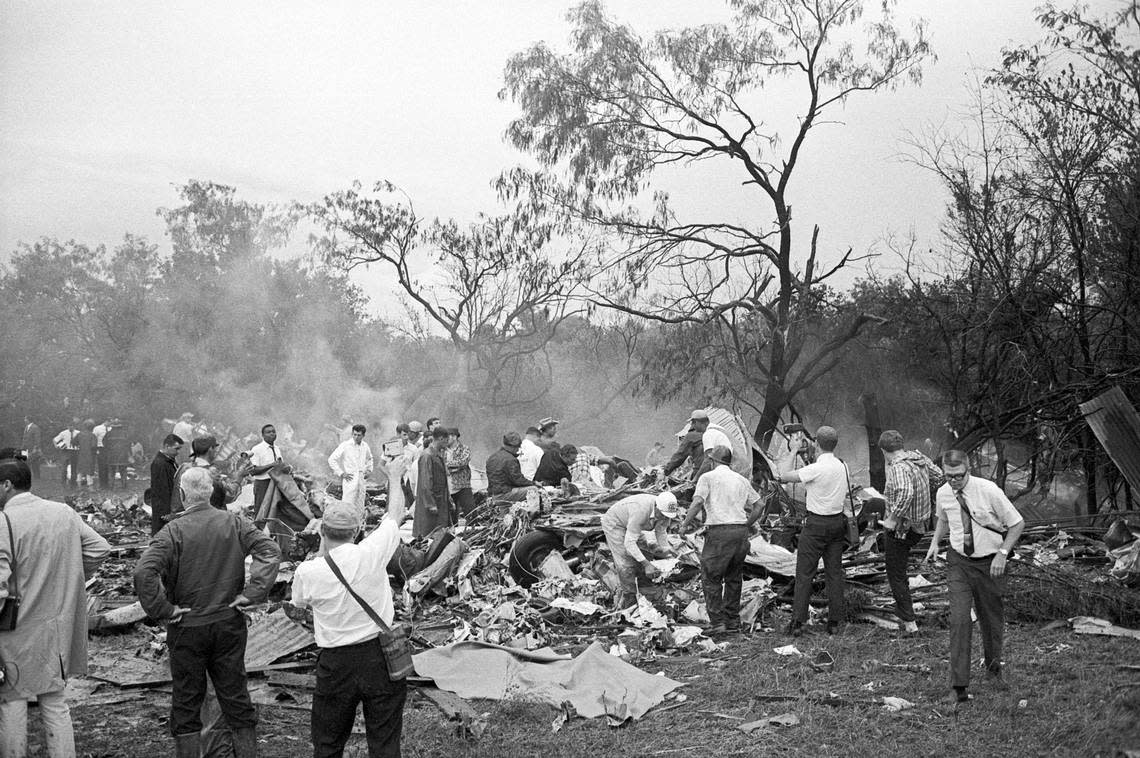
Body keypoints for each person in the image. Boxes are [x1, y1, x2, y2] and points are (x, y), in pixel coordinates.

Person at [134, 467, 281, 758]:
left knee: (187, 700)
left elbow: (144, 571)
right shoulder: (235, 522)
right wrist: (252, 593)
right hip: (228, 623)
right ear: (212, 493)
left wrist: (162, 609)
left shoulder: (172, 531)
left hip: (187, 626)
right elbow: (270, 551)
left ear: (183, 494)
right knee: (236, 696)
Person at [0, 457, 111, 758]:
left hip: (15, 631)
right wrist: (72, 576)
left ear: (7, 485)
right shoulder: (63, 512)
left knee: (12, 701)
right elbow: (101, 548)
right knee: (56, 702)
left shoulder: (3, 522)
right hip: (57, 626)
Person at [290, 491, 409, 756]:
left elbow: (298, 603)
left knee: (328, 741)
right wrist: (393, 475)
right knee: (385, 741)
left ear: (322, 530)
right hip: (380, 656)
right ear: (356, 532)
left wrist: (322, 549)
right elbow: (394, 516)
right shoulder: (371, 552)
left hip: (336, 663)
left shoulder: (308, 571)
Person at [924, 450, 1024, 703]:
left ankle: (993, 666)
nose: (954, 481)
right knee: (959, 619)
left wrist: (1002, 554)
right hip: (959, 562)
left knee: (991, 619)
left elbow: (1017, 523)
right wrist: (935, 542)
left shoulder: (988, 490)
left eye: (959, 476)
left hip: (990, 563)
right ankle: (958, 687)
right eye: (949, 476)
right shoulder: (943, 492)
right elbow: (943, 519)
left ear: (968, 469)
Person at [680, 446, 763, 635]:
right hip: (740, 533)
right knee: (734, 578)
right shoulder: (741, 480)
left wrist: (684, 525)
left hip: (719, 533)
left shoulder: (707, 478)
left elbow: (698, 502)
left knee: (711, 577)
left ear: (712, 460)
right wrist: (747, 524)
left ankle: (717, 623)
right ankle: (733, 621)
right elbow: (759, 504)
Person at [775, 425, 849, 636]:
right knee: (834, 573)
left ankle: (798, 622)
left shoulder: (815, 468)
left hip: (816, 524)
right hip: (837, 523)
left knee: (805, 573)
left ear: (816, 443)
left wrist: (792, 450)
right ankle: (836, 621)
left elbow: (784, 475)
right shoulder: (843, 466)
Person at [878, 429, 944, 634]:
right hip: (920, 526)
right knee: (901, 570)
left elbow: (906, 493)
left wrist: (892, 519)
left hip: (902, 528)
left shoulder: (897, 468)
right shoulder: (918, 458)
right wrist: (924, 498)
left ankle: (910, 623)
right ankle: (903, 609)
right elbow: (940, 476)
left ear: (883, 450)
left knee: (895, 573)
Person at [600, 491, 680, 608]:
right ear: (656, 507)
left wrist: (666, 550)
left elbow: (661, 531)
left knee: (645, 550)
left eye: (667, 516)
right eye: (662, 515)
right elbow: (629, 543)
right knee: (625, 561)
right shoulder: (641, 510)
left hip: (633, 524)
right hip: (615, 523)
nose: (664, 518)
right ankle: (629, 597)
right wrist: (646, 564)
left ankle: (644, 587)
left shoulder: (666, 512)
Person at [171, 436, 246, 515]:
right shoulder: (211, 474)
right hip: (200, 520)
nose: (216, 451)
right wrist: (239, 477)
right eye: (215, 448)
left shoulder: (183, 467)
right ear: (210, 449)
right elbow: (227, 497)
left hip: (178, 517)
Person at [414, 427, 452, 538]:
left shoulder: (438, 454)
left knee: (439, 534)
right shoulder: (427, 456)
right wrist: (430, 504)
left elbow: (444, 480)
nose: (447, 444)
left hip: (440, 499)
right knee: (428, 534)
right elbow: (425, 482)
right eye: (446, 441)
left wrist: (449, 499)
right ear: (440, 438)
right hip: (431, 502)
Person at [328, 425, 374, 512]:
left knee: (360, 505)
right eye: (354, 434)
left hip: (361, 478)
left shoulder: (365, 446)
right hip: (350, 478)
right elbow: (331, 459)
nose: (356, 437)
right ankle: (345, 523)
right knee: (347, 505)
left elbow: (370, 458)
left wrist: (369, 470)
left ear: (363, 436)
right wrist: (341, 473)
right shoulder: (345, 445)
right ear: (352, 434)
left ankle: (358, 524)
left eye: (359, 435)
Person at [485, 432, 537, 501]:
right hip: (503, 495)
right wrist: (534, 483)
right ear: (512, 446)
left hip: (492, 494)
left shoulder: (492, 457)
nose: (518, 449)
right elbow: (518, 480)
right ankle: (534, 511)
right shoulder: (510, 460)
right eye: (517, 446)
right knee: (534, 490)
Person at [150, 434, 184, 535]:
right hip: (164, 509)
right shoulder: (160, 464)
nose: (178, 452)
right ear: (167, 446)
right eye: (176, 449)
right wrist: (167, 513)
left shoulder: (168, 461)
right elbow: (162, 490)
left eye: (179, 449)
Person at [662, 410, 710, 481]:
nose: (692, 425)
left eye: (693, 423)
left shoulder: (692, 436)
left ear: (695, 422)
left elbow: (680, 455)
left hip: (700, 472)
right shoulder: (713, 432)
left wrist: (666, 471)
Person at [248, 424, 286, 512]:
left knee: (274, 510)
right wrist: (272, 465)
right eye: (268, 432)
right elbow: (253, 470)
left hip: (276, 483)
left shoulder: (277, 449)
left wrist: (285, 468)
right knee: (261, 509)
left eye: (273, 431)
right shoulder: (256, 449)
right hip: (263, 484)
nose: (272, 434)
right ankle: (258, 525)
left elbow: (279, 465)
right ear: (263, 435)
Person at [444, 428, 473, 522]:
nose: (445, 439)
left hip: (462, 484)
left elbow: (463, 462)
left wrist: (447, 465)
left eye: (447, 437)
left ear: (454, 437)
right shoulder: (442, 449)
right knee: (451, 515)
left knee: (470, 511)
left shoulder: (464, 448)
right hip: (447, 486)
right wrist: (454, 467)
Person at [52, 418, 81, 487]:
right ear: (67, 426)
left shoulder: (78, 433)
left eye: (72, 426)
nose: (70, 427)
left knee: (74, 467)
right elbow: (55, 439)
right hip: (65, 451)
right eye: (69, 426)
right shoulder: (63, 433)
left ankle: (73, 483)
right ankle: (63, 482)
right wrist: (56, 446)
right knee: (64, 467)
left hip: (75, 451)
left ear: (74, 426)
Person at [103, 419, 131, 489]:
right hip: (123, 455)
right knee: (123, 471)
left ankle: (111, 486)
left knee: (112, 472)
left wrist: (109, 450)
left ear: (112, 426)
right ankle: (124, 486)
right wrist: (129, 454)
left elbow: (104, 443)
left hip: (112, 455)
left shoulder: (108, 434)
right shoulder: (125, 433)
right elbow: (128, 444)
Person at [74, 419, 98, 488]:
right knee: (89, 470)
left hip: (81, 454)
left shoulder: (79, 434)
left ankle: (79, 486)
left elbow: (74, 442)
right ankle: (90, 487)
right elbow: (94, 446)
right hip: (90, 455)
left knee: (80, 470)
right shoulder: (92, 435)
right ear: (92, 427)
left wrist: (79, 446)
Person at [93, 417, 111, 489]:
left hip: (108, 449)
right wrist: (96, 449)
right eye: (110, 422)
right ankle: (102, 484)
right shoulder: (97, 428)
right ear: (106, 421)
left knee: (107, 466)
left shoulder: (110, 429)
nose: (110, 424)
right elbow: (94, 439)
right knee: (101, 467)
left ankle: (106, 484)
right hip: (100, 448)